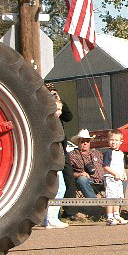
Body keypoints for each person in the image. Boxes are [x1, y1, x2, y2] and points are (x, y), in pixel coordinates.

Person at [46, 83, 79, 221]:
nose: (53, 94)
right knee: (54, 181)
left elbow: (69, 117)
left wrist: (60, 102)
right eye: (50, 92)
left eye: (54, 92)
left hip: (62, 148)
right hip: (50, 150)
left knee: (68, 177)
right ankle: (51, 215)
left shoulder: (59, 110)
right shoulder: (45, 110)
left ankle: (70, 210)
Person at [41, 99, 69, 229]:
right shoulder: (50, 124)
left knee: (53, 189)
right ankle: (52, 218)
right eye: (57, 109)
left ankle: (48, 218)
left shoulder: (57, 123)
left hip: (55, 159)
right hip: (52, 160)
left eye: (60, 109)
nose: (59, 112)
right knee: (59, 188)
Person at [103, 129, 128, 226]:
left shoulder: (121, 153)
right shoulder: (108, 153)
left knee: (118, 196)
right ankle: (109, 216)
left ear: (121, 142)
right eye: (112, 140)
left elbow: (122, 166)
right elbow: (105, 166)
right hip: (110, 178)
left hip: (119, 179)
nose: (114, 142)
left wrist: (124, 174)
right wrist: (114, 174)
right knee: (110, 197)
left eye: (116, 140)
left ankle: (116, 214)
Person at [69, 129, 104, 199]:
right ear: (78, 142)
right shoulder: (72, 155)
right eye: (82, 141)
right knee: (82, 179)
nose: (85, 143)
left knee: (122, 177)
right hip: (87, 181)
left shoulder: (97, 153)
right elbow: (67, 172)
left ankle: (116, 203)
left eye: (87, 141)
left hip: (103, 180)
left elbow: (106, 166)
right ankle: (94, 203)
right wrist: (79, 174)